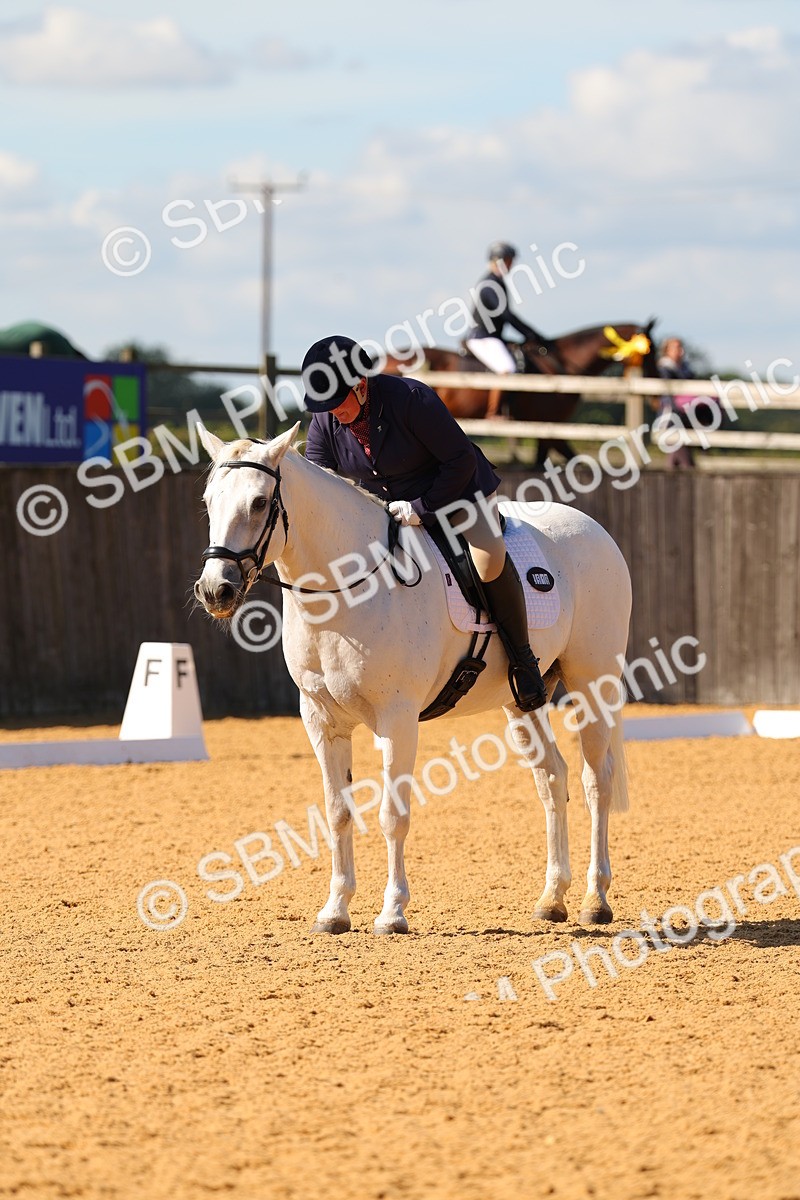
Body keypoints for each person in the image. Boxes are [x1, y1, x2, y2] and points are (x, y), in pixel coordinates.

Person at [302, 335, 547, 711]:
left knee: (488, 558)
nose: (333, 413)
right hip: (386, 508)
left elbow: (460, 461)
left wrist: (423, 507)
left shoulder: (411, 399)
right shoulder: (325, 420)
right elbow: (322, 483)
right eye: (325, 406)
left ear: (361, 385)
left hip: (456, 494)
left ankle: (524, 660)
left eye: (337, 403)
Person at [465, 242, 554, 416]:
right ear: (499, 260)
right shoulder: (490, 284)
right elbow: (506, 315)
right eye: (508, 260)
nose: (511, 265)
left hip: (493, 336)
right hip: (484, 337)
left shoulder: (496, 282)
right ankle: (493, 413)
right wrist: (531, 334)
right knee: (506, 368)